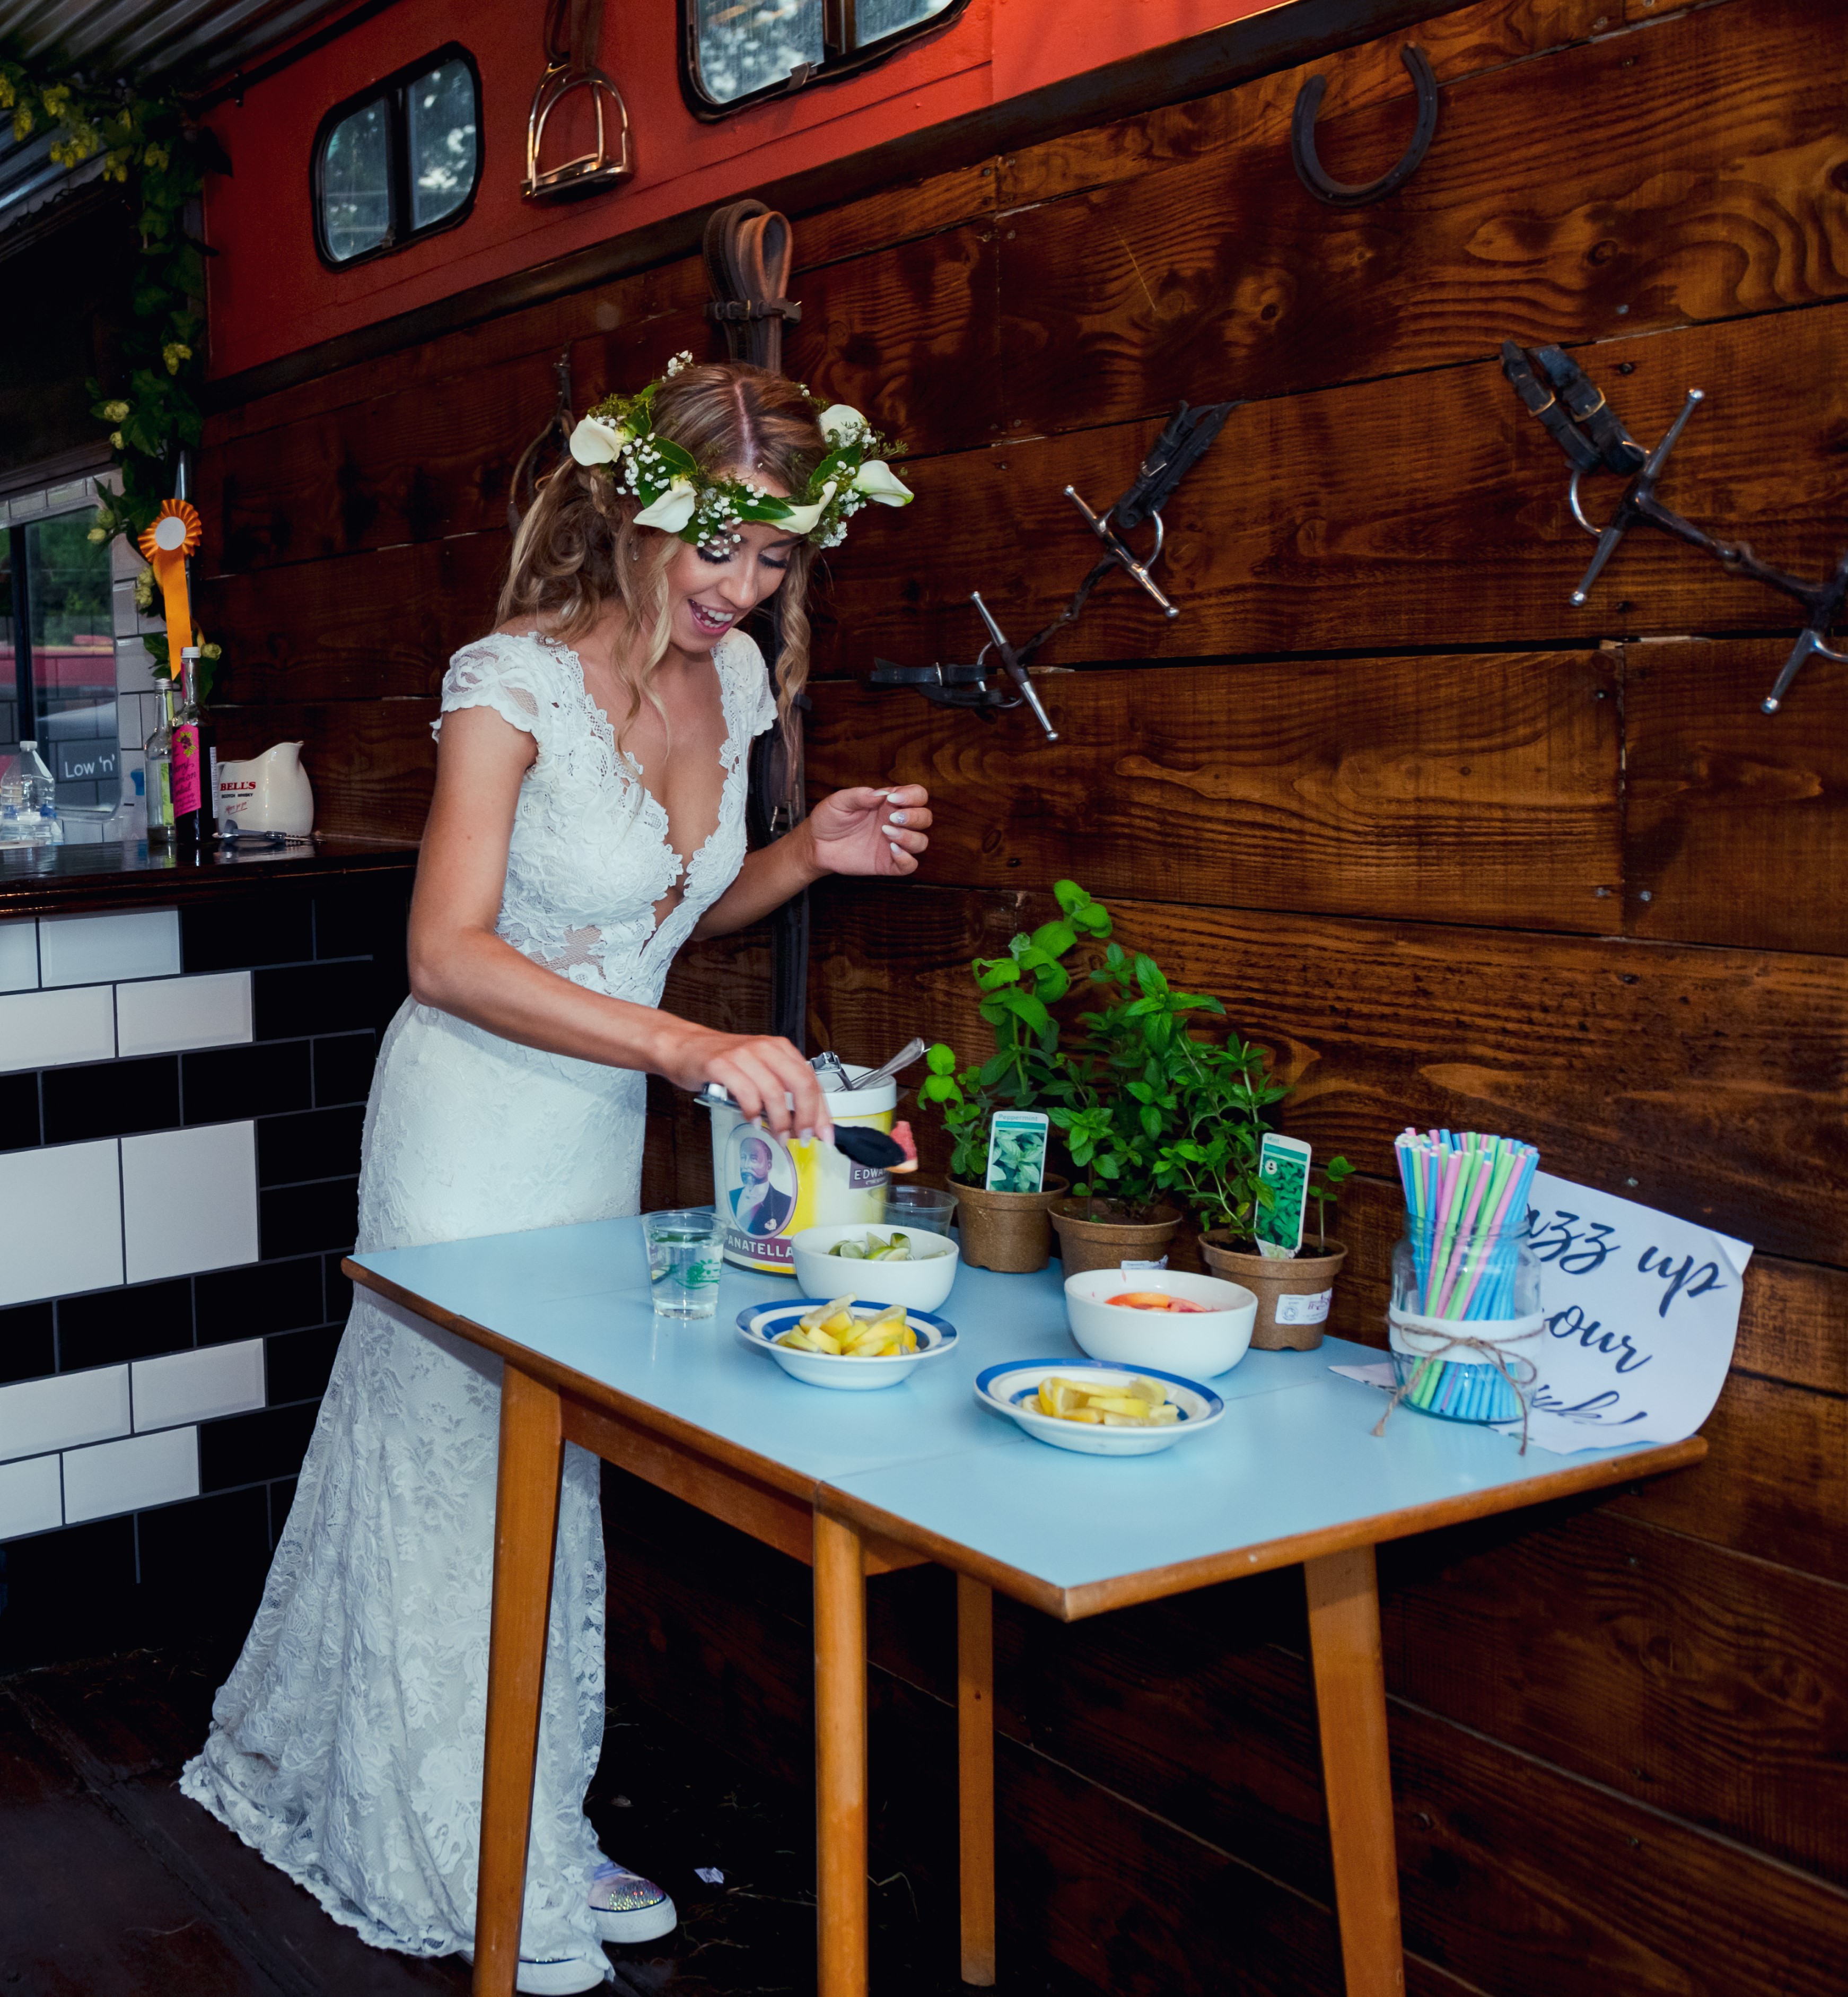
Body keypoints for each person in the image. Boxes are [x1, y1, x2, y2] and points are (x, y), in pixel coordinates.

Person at [181, 356, 929, 1995]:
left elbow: (651, 919)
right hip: (468, 1130)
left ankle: (531, 1808)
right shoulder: (505, 680)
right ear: (637, 508)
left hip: (591, 1144)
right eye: (716, 548)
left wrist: (806, 855)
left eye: (775, 559)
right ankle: (456, 1848)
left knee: (544, 1477)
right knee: (452, 1471)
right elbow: (445, 956)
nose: (740, 589)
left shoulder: (730, 690)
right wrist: (678, 1052)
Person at [730, 1128, 794, 1237]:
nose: (746, 1165)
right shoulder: (732, 1196)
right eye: (743, 1158)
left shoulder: (785, 1203)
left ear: (769, 1165)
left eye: (753, 1159)